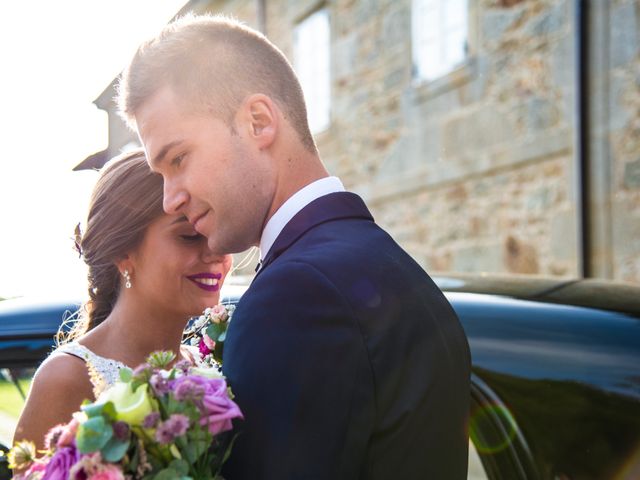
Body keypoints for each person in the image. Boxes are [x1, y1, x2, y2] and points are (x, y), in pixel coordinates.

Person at [118, 14, 471, 479]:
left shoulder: (295, 298)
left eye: (179, 159)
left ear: (259, 122)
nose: (171, 198)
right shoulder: (388, 264)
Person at [13, 149, 232, 451]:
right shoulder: (65, 379)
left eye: (219, 231)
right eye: (190, 236)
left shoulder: (208, 365)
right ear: (122, 252)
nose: (217, 251)